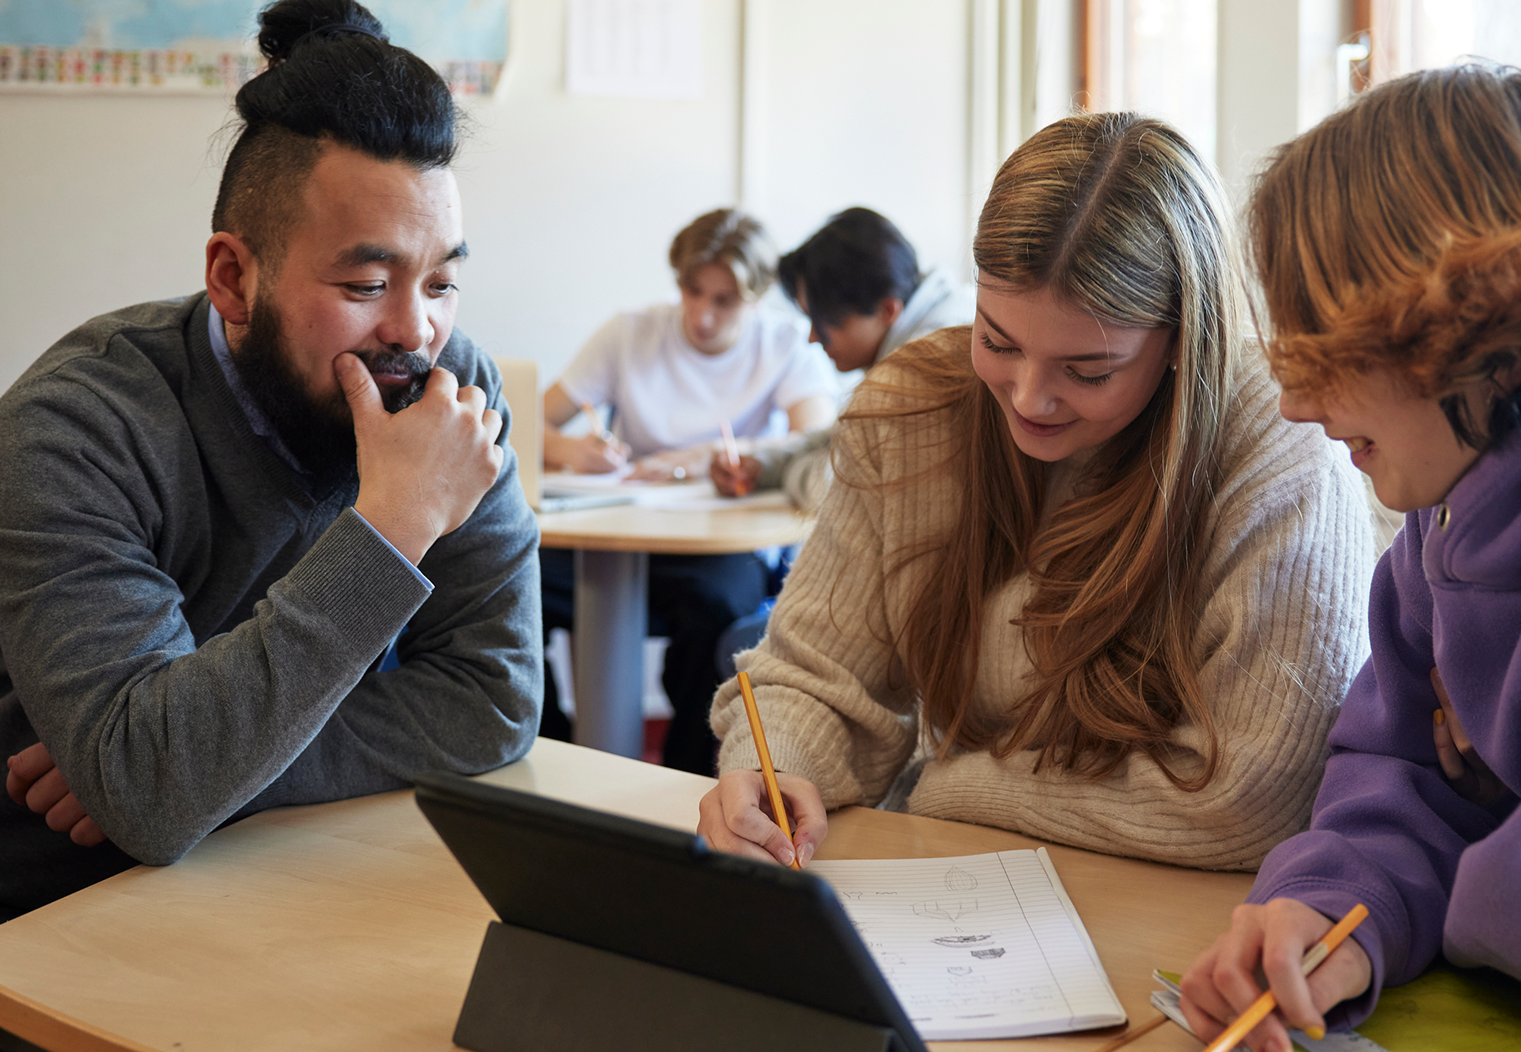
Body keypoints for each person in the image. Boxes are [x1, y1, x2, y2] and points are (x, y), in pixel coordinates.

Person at [696, 113, 1375, 871]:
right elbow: (812, 677)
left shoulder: (1283, 451)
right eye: (997, 340)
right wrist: (775, 765)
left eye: (1089, 371)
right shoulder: (910, 409)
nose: (1027, 398)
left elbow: (1253, 801)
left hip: (1183, 914)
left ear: (1184, 338)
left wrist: (952, 791)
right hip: (966, 896)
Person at [0, 0, 542, 923]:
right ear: (233, 278)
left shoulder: (451, 389)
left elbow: (493, 699)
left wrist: (194, 760)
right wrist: (396, 523)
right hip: (67, 915)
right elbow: (152, 794)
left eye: (444, 280)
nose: (419, 329)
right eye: (368, 283)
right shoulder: (79, 426)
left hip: (312, 879)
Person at [1178, 65, 1521, 1052]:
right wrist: (1328, 916)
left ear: (1467, 325)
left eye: (1330, 356)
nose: (1296, 409)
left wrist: (1434, 902)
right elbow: (1404, 778)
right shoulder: (1459, 479)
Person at [538, 210, 836, 773]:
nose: (702, 315)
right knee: (513, 573)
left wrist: (702, 461)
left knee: (724, 605)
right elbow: (529, 422)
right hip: (616, 538)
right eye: (692, 291)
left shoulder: (785, 341)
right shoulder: (631, 333)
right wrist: (573, 451)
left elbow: (818, 440)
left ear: (756, 297)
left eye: (724, 300)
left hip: (715, 551)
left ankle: (688, 772)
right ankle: (547, 745)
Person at [711, 206, 973, 510]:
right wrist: (762, 465)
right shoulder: (931, 321)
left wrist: (789, 473)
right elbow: (843, 435)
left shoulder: (924, 364)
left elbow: (840, 491)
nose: (812, 337)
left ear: (887, 310)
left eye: (824, 322)